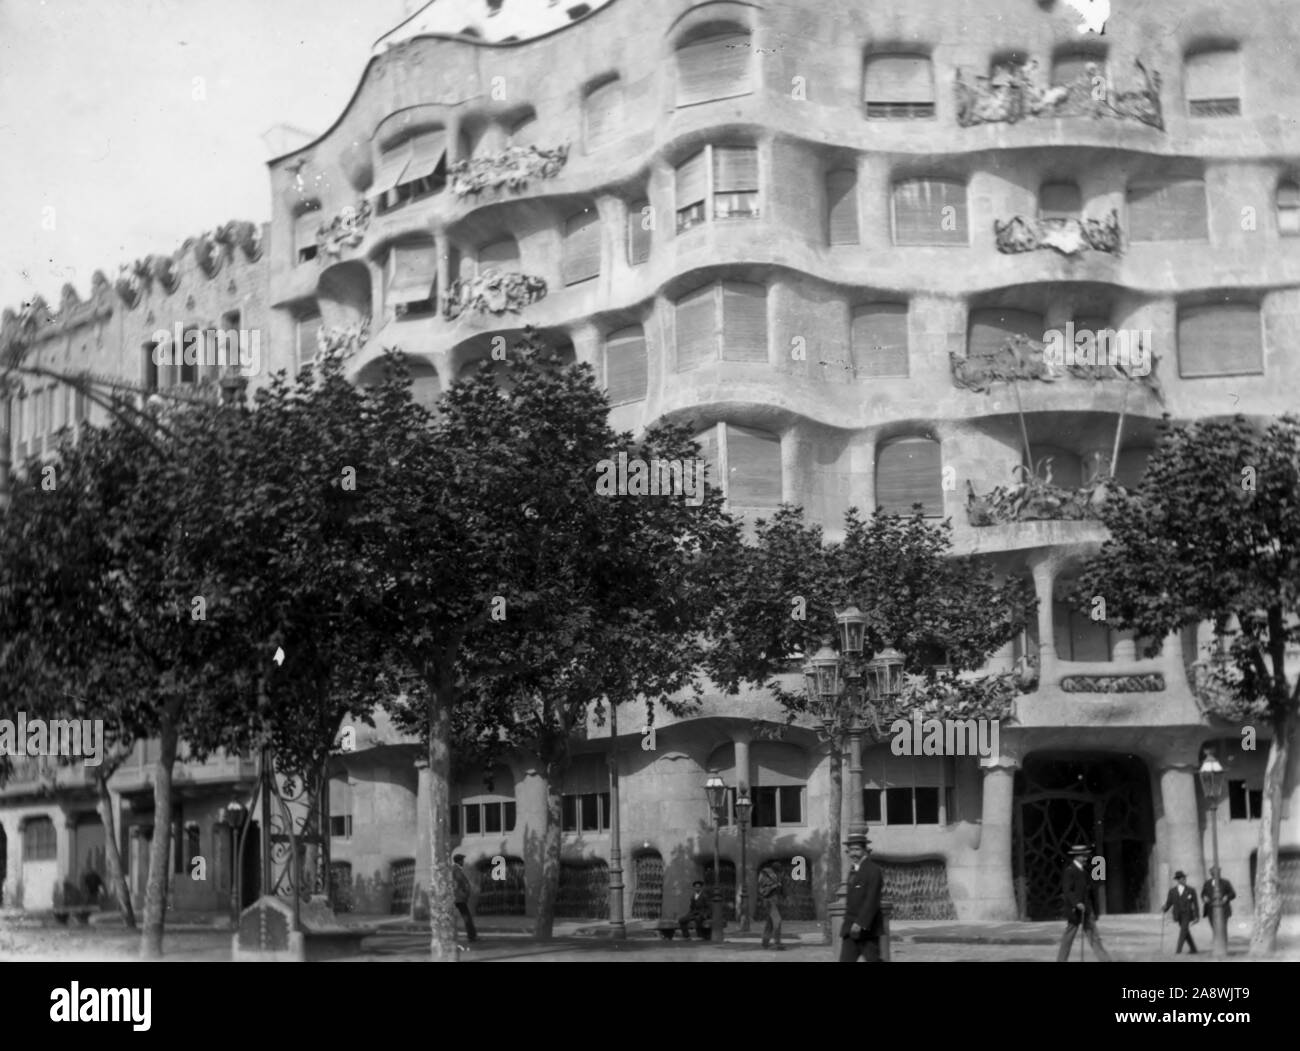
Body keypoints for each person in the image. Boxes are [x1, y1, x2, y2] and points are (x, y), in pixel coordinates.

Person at [1056, 844, 1111, 962]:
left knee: (1094, 937)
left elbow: (1088, 891)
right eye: (1083, 855)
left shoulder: (1084, 871)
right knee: (1068, 937)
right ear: (1076, 857)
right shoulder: (1070, 871)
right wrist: (1076, 903)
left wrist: (1092, 909)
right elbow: (1067, 890)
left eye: (1086, 855)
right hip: (1075, 910)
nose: (1086, 857)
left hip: (1087, 910)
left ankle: (1105, 960)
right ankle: (1061, 960)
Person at [839, 832, 883, 962]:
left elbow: (872, 899)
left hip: (867, 930)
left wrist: (860, 923)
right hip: (850, 930)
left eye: (857, 849)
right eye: (851, 850)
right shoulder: (853, 871)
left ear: (865, 851)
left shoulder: (873, 870)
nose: (853, 853)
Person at [1162, 870, 1200, 954]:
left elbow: (1196, 904)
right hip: (1178, 915)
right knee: (1186, 932)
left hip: (1188, 914)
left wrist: (1197, 916)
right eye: (1182, 879)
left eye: (1185, 878)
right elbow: (1169, 903)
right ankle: (1193, 949)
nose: (1184, 880)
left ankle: (1178, 951)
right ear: (1178, 880)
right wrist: (1165, 908)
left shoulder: (1191, 890)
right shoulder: (1172, 891)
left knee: (1183, 931)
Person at [757, 860, 787, 950]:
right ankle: (777, 943)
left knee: (770, 922)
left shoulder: (779, 875)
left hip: (775, 901)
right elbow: (762, 886)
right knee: (777, 920)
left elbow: (782, 888)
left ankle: (765, 942)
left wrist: (785, 895)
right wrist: (774, 885)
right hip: (769, 901)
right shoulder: (766, 873)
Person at [1201, 867, 1237, 934]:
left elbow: (1233, 894)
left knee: (1223, 927)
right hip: (1210, 909)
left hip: (1223, 908)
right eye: (1214, 873)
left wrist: (1227, 897)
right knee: (1213, 926)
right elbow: (1203, 894)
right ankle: (1216, 939)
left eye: (1218, 873)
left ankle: (1223, 941)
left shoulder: (1225, 882)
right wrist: (1204, 898)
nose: (1216, 875)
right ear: (1211, 874)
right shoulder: (1207, 883)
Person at [452, 854, 478, 943]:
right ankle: (471, 936)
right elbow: (461, 882)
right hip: (459, 898)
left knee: (456, 916)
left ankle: (470, 935)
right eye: (462, 860)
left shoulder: (454, 869)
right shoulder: (456, 870)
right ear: (459, 861)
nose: (463, 862)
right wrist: (465, 893)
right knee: (467, 917)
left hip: (456, 897)